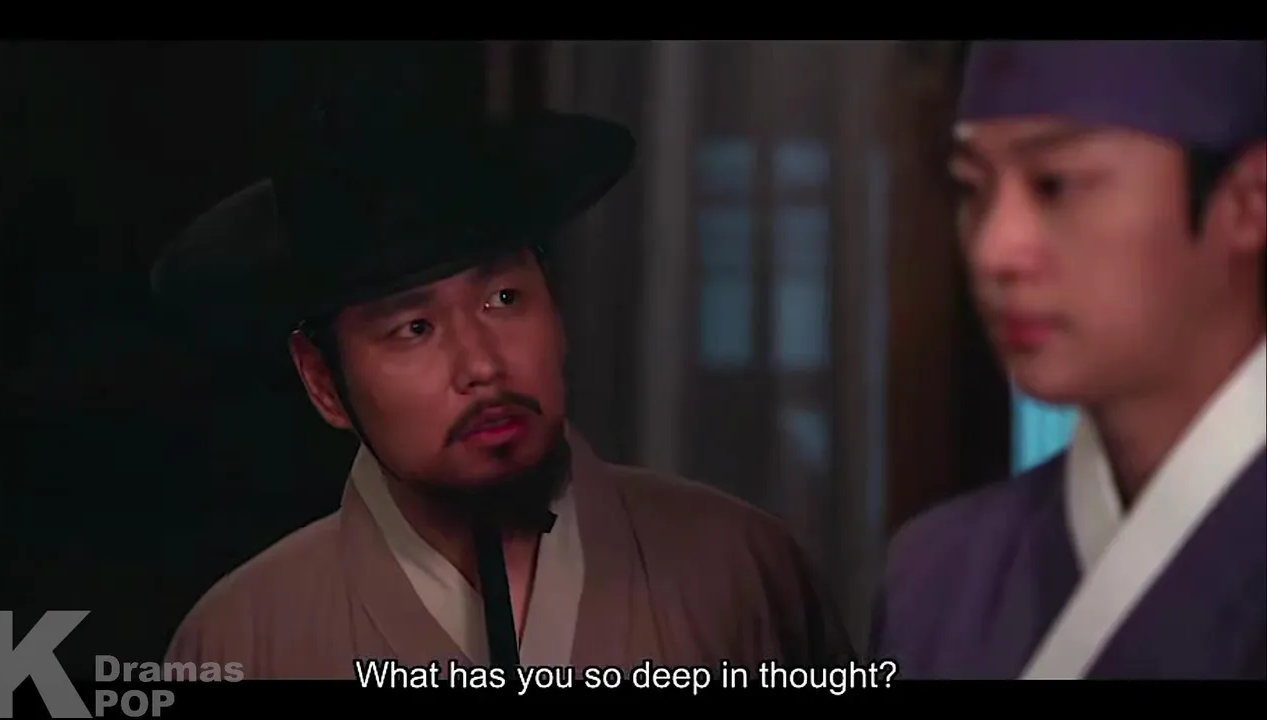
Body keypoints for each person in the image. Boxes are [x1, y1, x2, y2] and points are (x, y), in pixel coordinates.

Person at [153, 100, 853, 679]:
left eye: (505, 299)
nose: (482, 365)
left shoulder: (742, 571)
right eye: (415, 328)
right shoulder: (242, 638)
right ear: (322, 381)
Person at [869, 40, 1266, 679]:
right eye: (973, 188)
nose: (995, 250)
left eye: (1054, 185)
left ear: (1248, 200)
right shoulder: (939, 580)